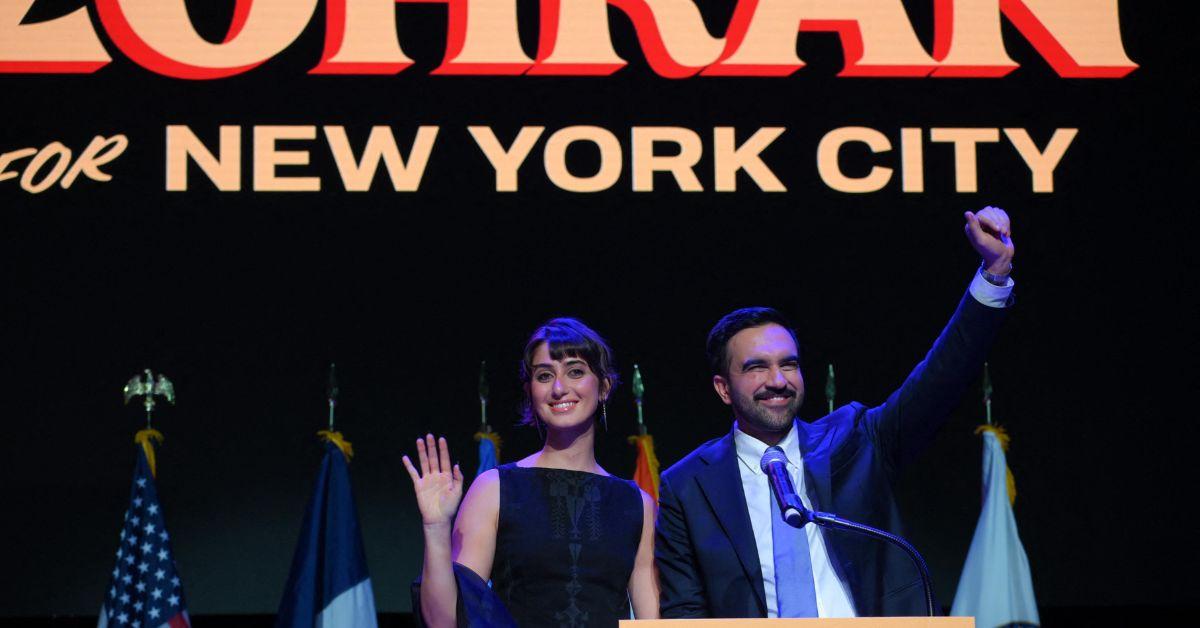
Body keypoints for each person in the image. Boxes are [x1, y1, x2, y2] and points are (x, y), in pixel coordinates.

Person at [655, 207, 1016, 619]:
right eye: (757, 367)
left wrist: (994, 274)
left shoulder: (855, 440)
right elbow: (685, 612)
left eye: (788, 364)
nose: (778, 380)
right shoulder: (687, 485)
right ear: (723, 388)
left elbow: (941, 379)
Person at [404, 318, 659, 628]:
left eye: (575, 371)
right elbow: (443, 621)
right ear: (531, 391)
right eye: (544, 375)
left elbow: (651, 620)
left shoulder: (637, 503)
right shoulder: (495, 489)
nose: (559, 388)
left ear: (604, 386)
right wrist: (435, 527)